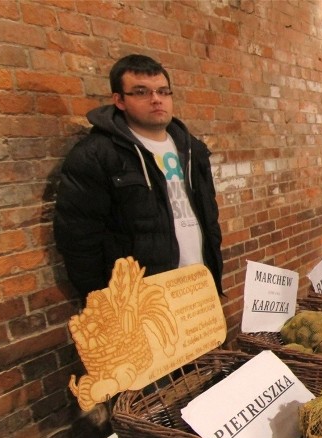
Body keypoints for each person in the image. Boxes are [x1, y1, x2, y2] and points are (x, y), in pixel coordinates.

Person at [54, 54, 224, 298]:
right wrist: (106, 300)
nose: (156, 99)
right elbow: (78, 239)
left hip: (198, 284)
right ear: (119, 100)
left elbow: (208, 215)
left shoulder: (191, 149)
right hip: (142, 300)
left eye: (163, 92)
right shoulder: (96, 155)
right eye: (142, 92)